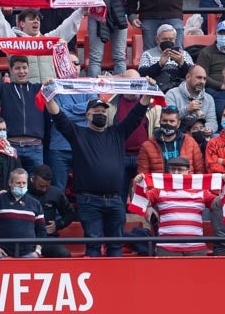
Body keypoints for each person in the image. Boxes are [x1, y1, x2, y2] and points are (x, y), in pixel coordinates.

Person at [45, 87, 157, 257]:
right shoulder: (78, 133)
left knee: (116, 246)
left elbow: (136, 115)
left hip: (115, 199)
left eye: (103, 112)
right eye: (96, 111)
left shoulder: (117, 133)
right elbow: (59, 118)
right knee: (93, 245)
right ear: (87, 115)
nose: (101, 114)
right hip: (89, 201)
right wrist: (48, 94)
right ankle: (96, 282)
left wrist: (147, 92)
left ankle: (116, 282)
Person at [133, 156, 218, 256]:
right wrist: (137, 185)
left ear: (188, 172)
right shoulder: (159, 190)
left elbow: (219, 204)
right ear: (168, 171)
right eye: (173, 169)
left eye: (180, 170)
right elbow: (140, 202)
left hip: (196, 249)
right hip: (167, 248)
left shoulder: (201, 190)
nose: (176, 173)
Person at [0, 57, 47, 171]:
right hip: (11, 146)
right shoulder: (4, 89)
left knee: (35, 185)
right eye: (17, 68)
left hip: (35, 147)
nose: (21, 71)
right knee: (10, 182)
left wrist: (60, 50)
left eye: (24, 68)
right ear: (11, 70)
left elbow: (62, 82)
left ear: (28, 69)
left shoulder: (39, 89)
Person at [0, 168, 46, 257]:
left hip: (29, 254)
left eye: (24, 183)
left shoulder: (35, 203)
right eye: (18, 183)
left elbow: (41, 230)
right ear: (10, 183)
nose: (21, 186)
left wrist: (37, 251)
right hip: (3, 254)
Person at [138, 105, 207, 175]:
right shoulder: (147, 146)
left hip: (186, 185)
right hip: (160, 185)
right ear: (159, 122)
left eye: (172, 121)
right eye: (164, 121)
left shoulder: (190, 142)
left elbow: (199, 170)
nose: (168, 124)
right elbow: (142, 175)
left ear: (178, 123)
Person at [29, 165, 76, 258]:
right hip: (25, 238)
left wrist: (58, 225)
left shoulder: (55, 193)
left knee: (64, 254)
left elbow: (70, 214)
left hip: (47, 238)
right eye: (41, 186)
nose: (44, 189)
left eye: (47, 186)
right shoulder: (22, 191)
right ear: (32, 179)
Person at [167, 65, 220, 134]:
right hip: (178, 135)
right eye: (199, 78)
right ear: (188, 77)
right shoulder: (172, 94)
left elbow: (212, 121)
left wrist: (208, 129)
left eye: (204, 79)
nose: (202, 82)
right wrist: (187, 109)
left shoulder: (209, 98)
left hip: (201, 136)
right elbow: (168, 119)